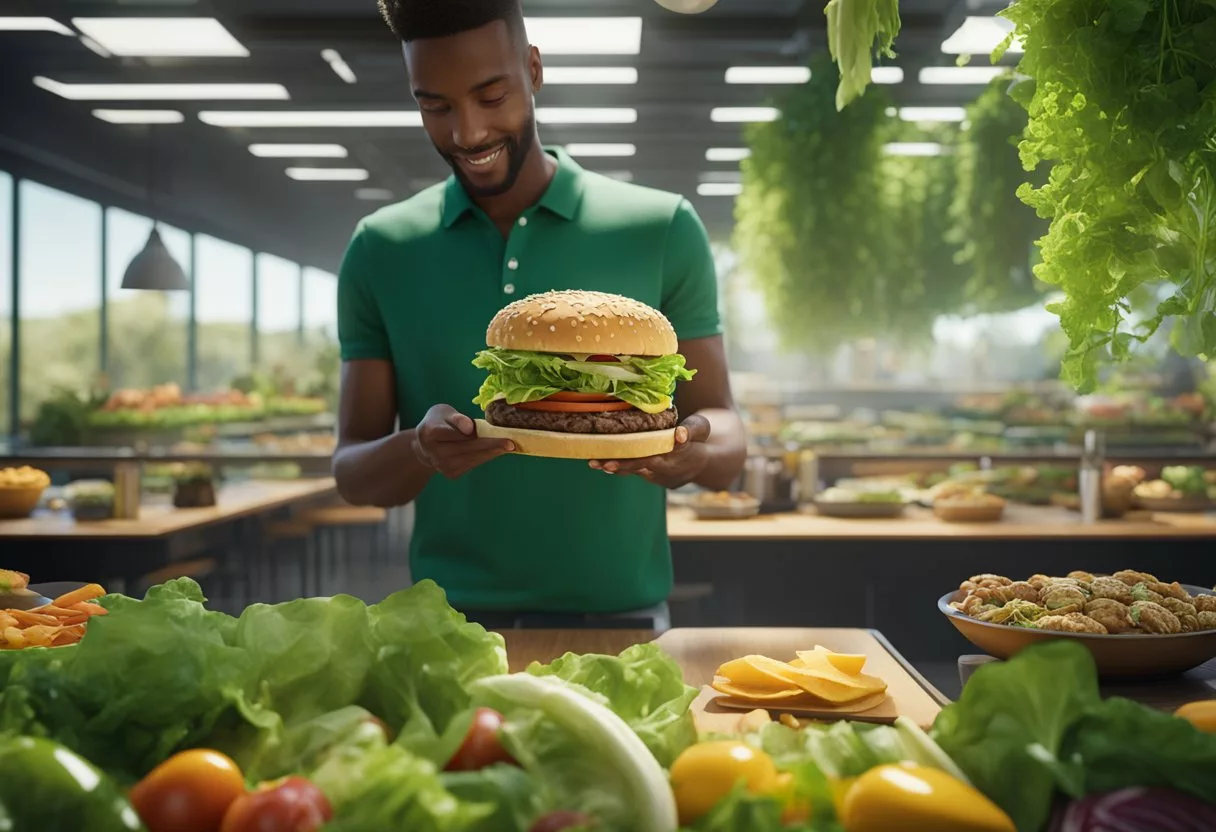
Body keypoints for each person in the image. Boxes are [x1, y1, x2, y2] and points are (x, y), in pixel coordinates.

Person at [331, 0, 747, 629]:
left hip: (625, 619)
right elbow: (352, 472)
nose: (466, 133)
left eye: (491, 95)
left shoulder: (661, 226)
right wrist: (418, 450)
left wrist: (687, 451)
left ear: (533, 70)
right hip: (448, 625)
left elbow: (728, 430)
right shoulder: (379, 247)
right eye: (435, 106)